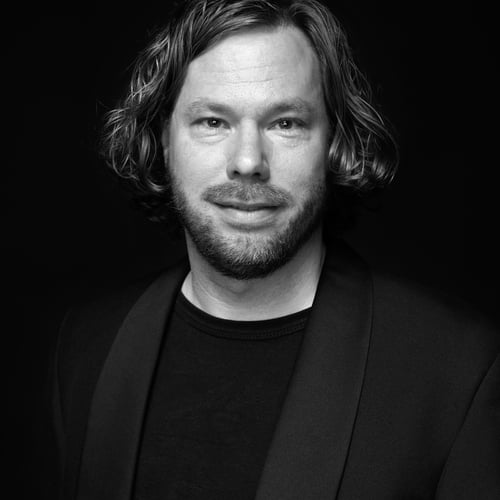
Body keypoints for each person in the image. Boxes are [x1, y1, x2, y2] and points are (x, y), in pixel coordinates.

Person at [51, 0, 500, 498]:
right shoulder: (88, 344)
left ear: (334, 142)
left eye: (285, 123)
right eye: (213, 122)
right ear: (164, 139)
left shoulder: (456, 368)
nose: (248, 162)